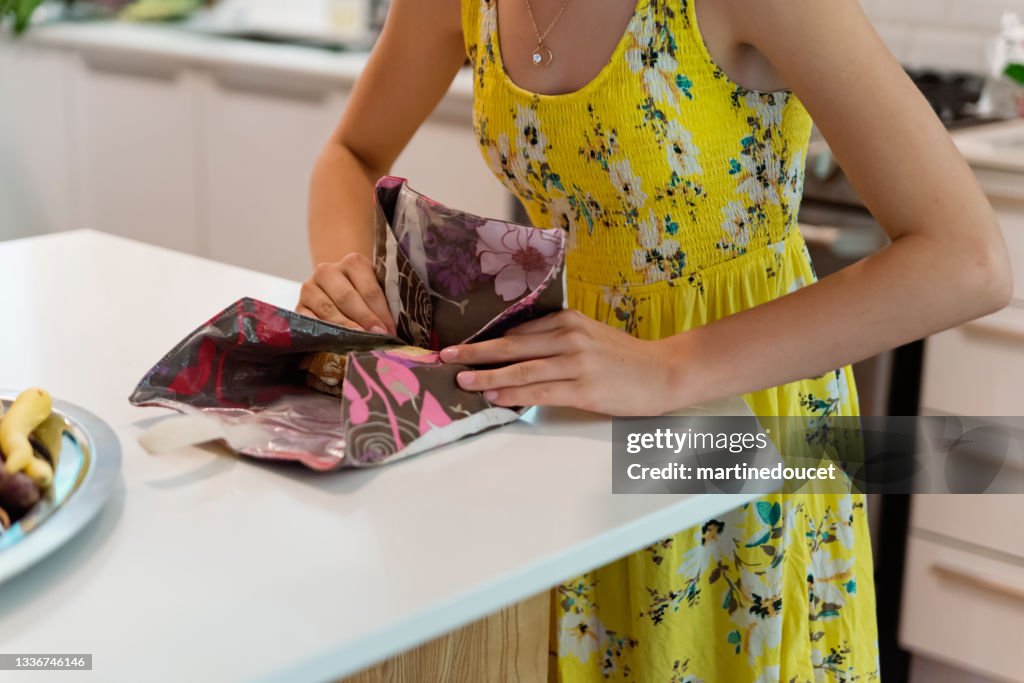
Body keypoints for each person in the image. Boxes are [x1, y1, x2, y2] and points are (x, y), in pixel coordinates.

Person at [298, 0, 1012, 680]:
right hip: (568, 403)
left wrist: (666, 368)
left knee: (705, 639)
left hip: (739, 410)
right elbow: (351, 151)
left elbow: (967, 260)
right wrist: (346, 274)